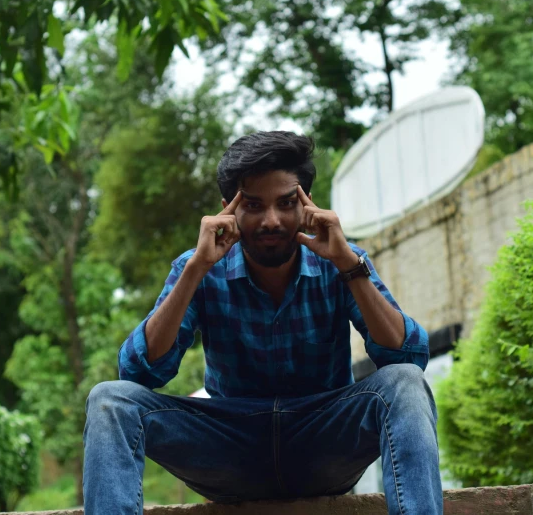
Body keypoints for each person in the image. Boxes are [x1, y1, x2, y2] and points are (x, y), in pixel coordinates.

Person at [83, 131, 442, 514]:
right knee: (110, 399)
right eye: (253, 205)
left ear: (306, 206)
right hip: (229, 451)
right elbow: (137, 372)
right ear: (228, 211)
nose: (271, 220)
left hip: (323, 448)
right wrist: (196, 270)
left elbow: (408, 356)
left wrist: (347, 266)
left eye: (286, 203)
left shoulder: (342, 260)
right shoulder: (199, 267)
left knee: (404, 382)